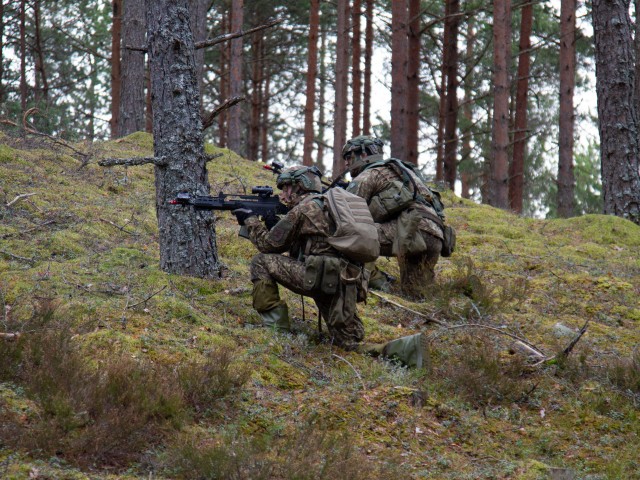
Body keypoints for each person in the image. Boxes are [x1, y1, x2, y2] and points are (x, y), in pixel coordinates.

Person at [232, 165, 427, 367]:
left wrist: (251, 221)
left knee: (261, 262)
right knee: (348, 343)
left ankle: (276, 330)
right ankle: (408, 350)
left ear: (297, 186)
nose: (282, 193)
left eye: (285, 187)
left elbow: (268, 245)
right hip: (345, 282)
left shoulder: (304, 209)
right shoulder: (333, 206)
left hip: (317, 278)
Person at [342, 136, 449, 299]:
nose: (346, 163)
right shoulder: (405, 172)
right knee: (416, 295)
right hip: (435, 236)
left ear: (363, 155)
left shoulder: (368, 175)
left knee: (351, 234)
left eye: (349, 157)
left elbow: (345, 212)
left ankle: (365, 282)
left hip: (410, 232)